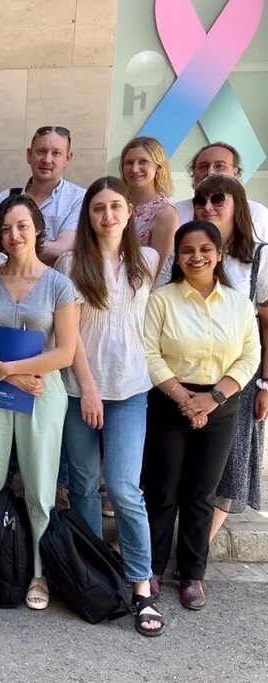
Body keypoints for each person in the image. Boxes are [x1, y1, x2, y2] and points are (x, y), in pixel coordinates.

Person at [55, 177, 165, 636]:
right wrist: (88, 387)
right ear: (89, 215)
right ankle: (97, 574)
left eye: (116, 206)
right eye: (99, 208)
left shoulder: (150, 260)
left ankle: (140, 584)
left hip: (132, 389)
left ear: (128, 212)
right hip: (82, 389)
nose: (108, 215)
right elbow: (71, 335)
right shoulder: (70, 262)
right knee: (81, 485)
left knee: (123, 488)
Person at [0, 194, 79, 610]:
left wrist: (11, 370)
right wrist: (0, 369)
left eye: (22, 227)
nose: (14, 235)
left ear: (36, 230)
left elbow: (65, 352)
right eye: (6, 229)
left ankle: (38, 572)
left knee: (40, 485)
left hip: (41, 392)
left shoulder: (59, 284)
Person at [142, 220, 260, 610]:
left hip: (221, 405)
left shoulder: (238, 303)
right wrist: (183, 398)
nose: (196, 257)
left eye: (205, 249)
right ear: (178, 256)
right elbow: (149, 352)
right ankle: (152, 568)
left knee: (201, 492)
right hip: (168, 400)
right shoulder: (162, 300)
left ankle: (192, 574)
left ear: (218, 253)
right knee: (162, 490)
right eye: (187, 250)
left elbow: (249, 356)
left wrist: (213, 398)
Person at [186, 175, 268, 542]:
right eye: (200, 200)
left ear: (237, 203)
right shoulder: (191, 250)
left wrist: (265, 383)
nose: (207, 207)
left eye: (217, 199)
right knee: (185, 461)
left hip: (240, 375)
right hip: (188, 373)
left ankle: (198, 546)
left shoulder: (259, 256)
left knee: (231, 465)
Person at [0, 126, 85, 266]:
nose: (47, 160)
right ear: (29, 155)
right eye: (41, 151)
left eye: (56, 153)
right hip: (8, 284)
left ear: (68, 158)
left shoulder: (79, 198)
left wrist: (14, 244)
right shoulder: (4, 198)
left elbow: (62, 249)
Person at [174, 142, 268, 239]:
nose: (210, 172)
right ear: (193, 174)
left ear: (235, 172)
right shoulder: (175, 212)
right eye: (203, 166)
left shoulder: (258, 214)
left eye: (219, 166)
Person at [120, 136, 178, 273]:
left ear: (158, 166)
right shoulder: (116, 203)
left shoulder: (165, 212)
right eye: (129, 162)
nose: (135, 169)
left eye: (143, 162)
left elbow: (159, 270)